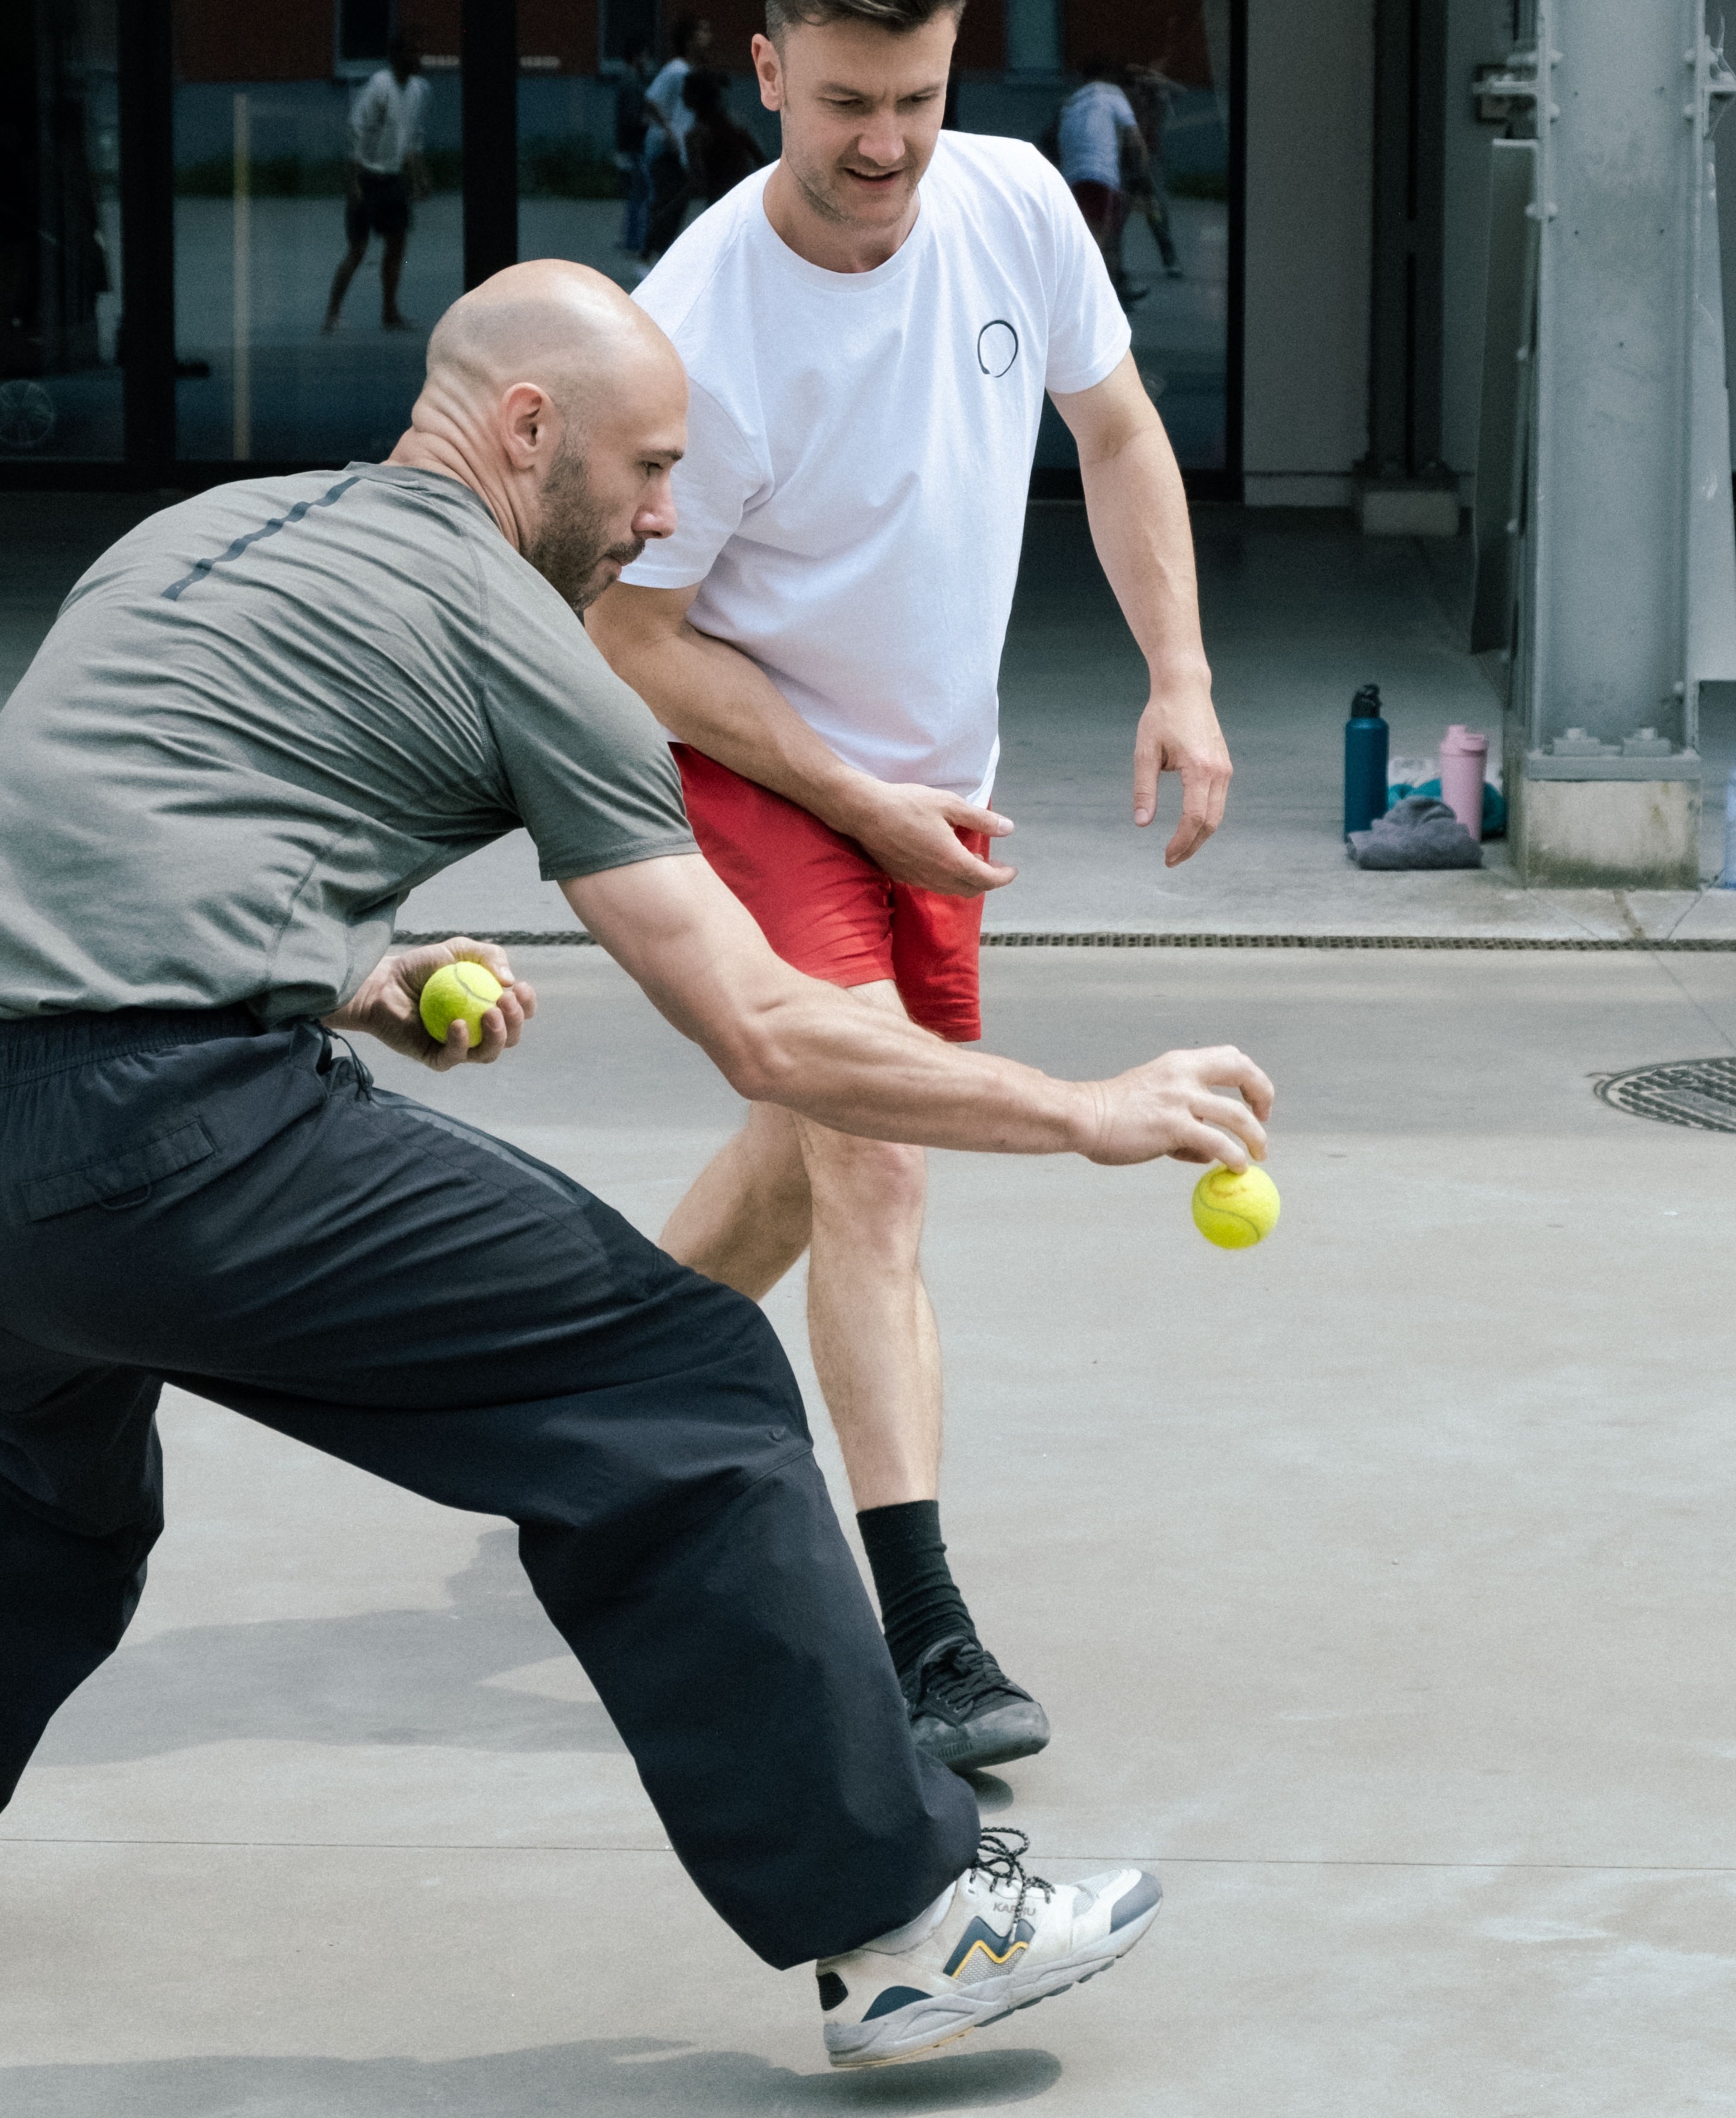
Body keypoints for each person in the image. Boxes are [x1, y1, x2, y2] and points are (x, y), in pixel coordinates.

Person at [0, 261, 1270, 2070]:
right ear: (528, 428)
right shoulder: (525, 640)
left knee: (49, 1460)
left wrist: (353, 979)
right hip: (152, 1138)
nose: (666, 518)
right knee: (678, 1382)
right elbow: (763, 1025)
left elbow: (110, 841)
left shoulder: (188, 538)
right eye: (651, 468)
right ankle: (906, 1923)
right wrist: (1081, 1105)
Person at [586, 0, 1231, 1775]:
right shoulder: (700, 328)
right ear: (766, 71)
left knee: (803, 1156)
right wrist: (851, 800)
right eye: (844, 103)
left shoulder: (1013, 204)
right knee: (873, 1156)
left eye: (916, 98)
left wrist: (1177, 673)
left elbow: (1115, 432)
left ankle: (575, 1390)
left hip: (938, 783)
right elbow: (633, 634)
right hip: (760, 764)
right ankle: (927, 1638)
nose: (883, 144)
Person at [324, 34, 430, 335]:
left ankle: (390, 312)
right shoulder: (379, 86)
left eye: (419, 52)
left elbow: (412, 139)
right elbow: (356, 130)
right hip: (367, 179)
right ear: (396, 57)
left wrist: (419, 178)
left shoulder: (418, 90)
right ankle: (332, 314)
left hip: (393, 179)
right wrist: (353, 182)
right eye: (412, 52)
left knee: (396, 247)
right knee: (357, 251)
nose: (418, 58)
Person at [646, 68, 766, 259]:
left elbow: (698, 184)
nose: (681, 96)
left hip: (721, 209)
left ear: (696, 97)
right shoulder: (735, 122)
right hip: (748, 205)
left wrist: (667, 211)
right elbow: (762, 161)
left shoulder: (696, 136)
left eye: (685, 92)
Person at [1058, 55, 1148, 304]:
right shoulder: (1112, 95)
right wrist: (1142, 173)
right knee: (1103, 240)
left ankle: (1113, 290)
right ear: (1108, 76)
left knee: (1086, 236)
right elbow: (1135, 139)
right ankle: (1097, 299)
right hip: (1102, 175)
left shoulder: (1072, 101)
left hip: (1072, 178)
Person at [640, 16, 713, 263]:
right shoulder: (676, 69)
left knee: (676, 204)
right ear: (689, 40)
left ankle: (656, 252)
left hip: (682, 148)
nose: (708, 37)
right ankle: (652, 253)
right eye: (702, 32)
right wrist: (669, 131)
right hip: (667, 149)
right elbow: (651, 100)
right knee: (669, 202)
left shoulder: (692, 70)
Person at [1122, 52, 1184, 280]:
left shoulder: (1158, 97)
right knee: (1119, 212)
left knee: (1157, 212)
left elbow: (1179, 92)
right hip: (1128, 159)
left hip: (1151, 160)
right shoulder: (1127, 97)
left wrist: (1154, 78)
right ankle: (1113, 264)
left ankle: (1170, 259)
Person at [613, 38, 655, 254]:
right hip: (635, 146)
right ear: (637, 56)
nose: (647, 60)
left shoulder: (629, 79)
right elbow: (633, 118)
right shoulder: (632, 82)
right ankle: (635, 241)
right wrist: (650, 120)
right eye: (645, 55)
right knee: (641, 193)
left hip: (630, 145)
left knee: (636, 193)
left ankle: (632, 239)